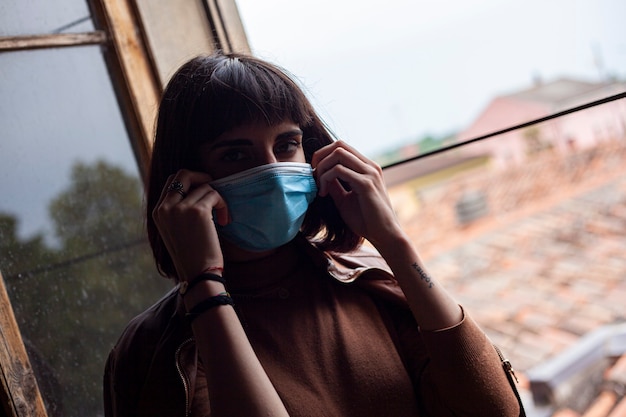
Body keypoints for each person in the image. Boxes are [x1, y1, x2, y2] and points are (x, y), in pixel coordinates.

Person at [103, 52, 524, 417]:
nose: (271, 169)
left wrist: (393, 241)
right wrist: (204, 287)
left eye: (286, 145)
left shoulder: (368, 285)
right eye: (235, 154)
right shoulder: (154, 352)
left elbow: (494, 409)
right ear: (185, 181)